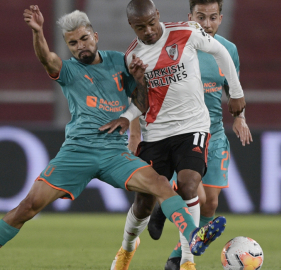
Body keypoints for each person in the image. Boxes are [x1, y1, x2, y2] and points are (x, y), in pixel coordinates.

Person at [0, 6, 221, 270]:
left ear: (95, 37)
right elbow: (47, 58)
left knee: (161, 184)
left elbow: (141, 103)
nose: (80, 46)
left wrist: (139, 81)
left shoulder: (120, 61)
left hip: (114, 153)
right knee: (28, 207)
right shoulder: (67, 70)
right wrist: (37, 32)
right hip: (77, 152)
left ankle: (194, 236)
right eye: (73, 43)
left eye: (83, 39)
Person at [102, 0, 246, 269]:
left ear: (158, 15)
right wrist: (130, 110)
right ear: (132, 26)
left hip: (193, 129)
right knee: (143, 203)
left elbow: (221, 51)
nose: (148, 31)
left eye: (151, 23)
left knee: (191, 184)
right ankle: (127, 248)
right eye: (140, 27)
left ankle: (187, 262)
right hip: (155, 135)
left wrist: (237, 94)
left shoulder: (185, 32)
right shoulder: (132, 58)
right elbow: (140, 103)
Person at [142, 1, 253, 269]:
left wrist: (240, 118)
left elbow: (232, 87)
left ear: (221, 18)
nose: (206, 23)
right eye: (200, 17)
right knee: (198, 196)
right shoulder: (178, 44)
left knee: (211, 205)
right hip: (185, 131)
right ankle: (177, 247)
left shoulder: (228, 50)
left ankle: (177, 253)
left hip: (214, 131)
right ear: (189, 17)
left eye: (213, 17)